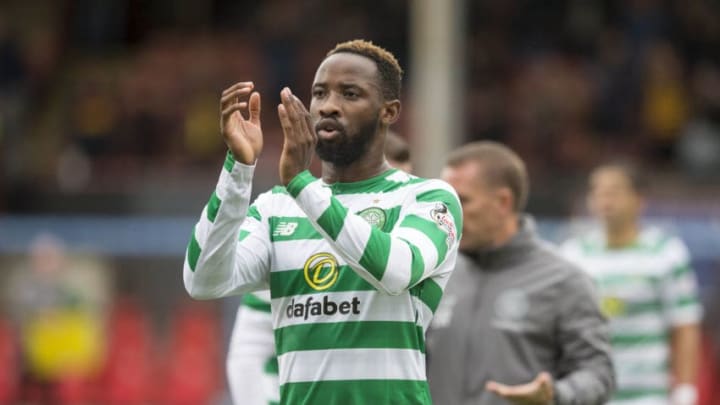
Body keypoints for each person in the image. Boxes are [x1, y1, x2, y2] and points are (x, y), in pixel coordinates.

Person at [183, 39, 462, 405]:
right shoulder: (275, 209)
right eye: (319, 93)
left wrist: (303, 185)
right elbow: (203, 281)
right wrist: (239, 169)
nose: (329, 106)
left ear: (388, 111)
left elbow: (396, 271)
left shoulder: (428, 199)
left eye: (350, 94)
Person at [225, 129, 414, 405]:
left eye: (403, 183)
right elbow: (248, 354)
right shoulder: (293, 246)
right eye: (384, 184)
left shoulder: (415, 252)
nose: (392, 195)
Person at [426, 141, 614, 405]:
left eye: (463, 201)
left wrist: (556, 395)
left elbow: (599, 373)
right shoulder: (436, 273)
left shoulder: (564, 280)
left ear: (503, 202)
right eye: (445, 203)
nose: (448, 215)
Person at [561, 162, 703, 405]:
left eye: (614, 192)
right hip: (590, 396)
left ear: (639, 199)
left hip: (648, 396)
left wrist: (685, 389)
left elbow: (685, 326)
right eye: (597, 192)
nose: (605, 200)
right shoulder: (573, 255)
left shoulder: (666, 254)